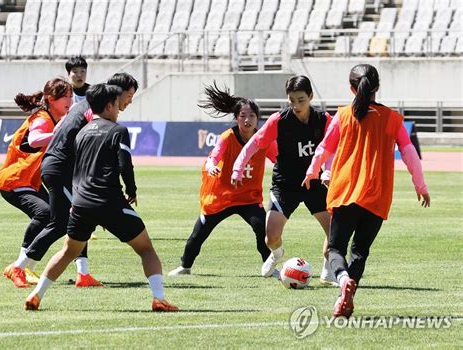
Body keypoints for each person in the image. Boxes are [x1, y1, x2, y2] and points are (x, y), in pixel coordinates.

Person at [25, 83, 179, 312]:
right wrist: (132, 190)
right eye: (117, 104)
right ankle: (159, 298)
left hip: (81, 202)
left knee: (68, 252)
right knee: (146, 249)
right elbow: (125, 164)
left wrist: (75, 201)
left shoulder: (81, 133)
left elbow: (76, 170)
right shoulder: (118, 130)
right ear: (109, 106)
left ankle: (36, 295)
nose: (119, 108)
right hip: (110, 201)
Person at [304, 64, 430, 318]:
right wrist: (421, 186)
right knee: (360, 252)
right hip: (377, 196)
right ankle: (344, 298)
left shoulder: (343, 115)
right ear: (377, 87)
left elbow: (324, 149)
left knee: (336, 249)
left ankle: (342, 282)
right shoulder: (393, 119)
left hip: (346, 192)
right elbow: (410, 154)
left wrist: (312, 171)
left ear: (352, 88)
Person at [6, 73, 138, 288]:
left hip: (64, 168)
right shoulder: (98, 109)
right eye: (129, 95)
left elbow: (65, 133)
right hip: (60, 169)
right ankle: (18, 267)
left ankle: (83, 274)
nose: (130, 101)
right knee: (60, 224)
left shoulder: (91, 102)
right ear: (117, 93)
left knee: (81, 217)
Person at [231, 75, 337, 285]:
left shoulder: (325, 120)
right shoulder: (278, 120)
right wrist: (238, 169)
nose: (296, 105)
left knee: (334, 231)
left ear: (311, 97)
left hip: (315, 182)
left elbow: (332, 148)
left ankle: (327, 270)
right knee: (270, 236)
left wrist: (327, 172)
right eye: (291, 100)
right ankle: (277, 253)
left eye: (301, 100)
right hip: (285, 183)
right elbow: (254, 144)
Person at [168, 83, 277, 276]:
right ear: (236, 118)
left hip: (248, 197)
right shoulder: (227, 136)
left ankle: (269, 267)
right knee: (198, 234)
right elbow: (215, 156)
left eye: (251, 116)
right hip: (221, 196)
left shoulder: (262, 139)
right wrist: (211, 165)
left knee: (262, 229)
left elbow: (278, 159)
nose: (247, 120)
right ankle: (185, 266)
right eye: (242, 116)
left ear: (258, 118)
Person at [0, 78, 73, 288]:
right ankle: (19, 268)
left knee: (59, 219)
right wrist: (59, 134)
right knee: (46, 214)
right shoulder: (43, 118)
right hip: (15, 180)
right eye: (65, 96)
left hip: (30, 183)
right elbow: (36, 139)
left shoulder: (56, 119)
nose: (70, 100)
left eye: (71, 95)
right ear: (50, 99)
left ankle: (23, 267)